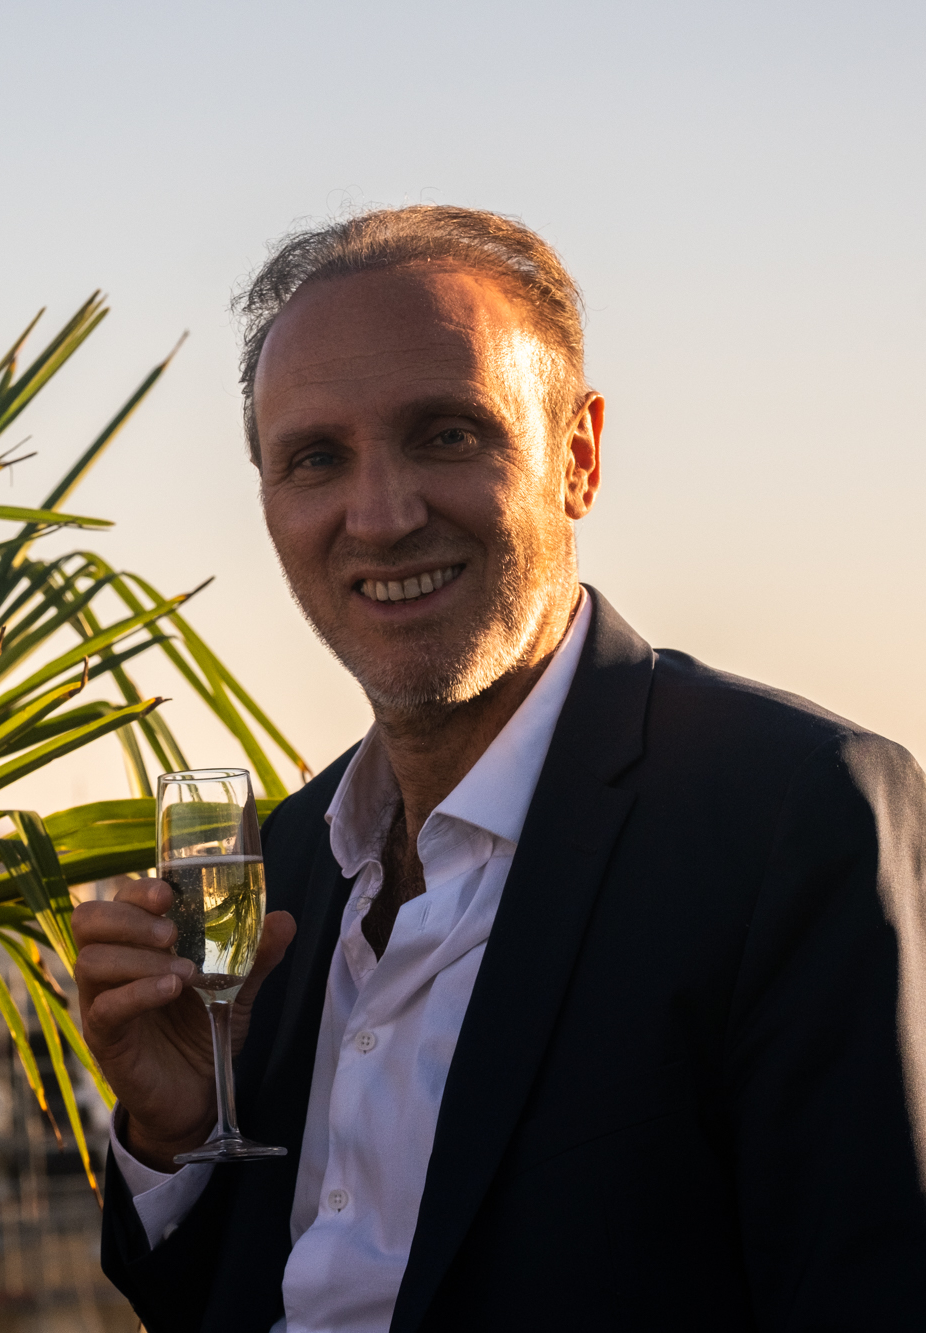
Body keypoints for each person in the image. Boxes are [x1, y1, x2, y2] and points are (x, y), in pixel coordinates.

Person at [76, 206, 926, 1332]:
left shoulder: (792, 818)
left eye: (446, 434)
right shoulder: (282, 867)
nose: (380, 516)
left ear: (577, 455)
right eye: (316, 458)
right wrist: (177, 1135)